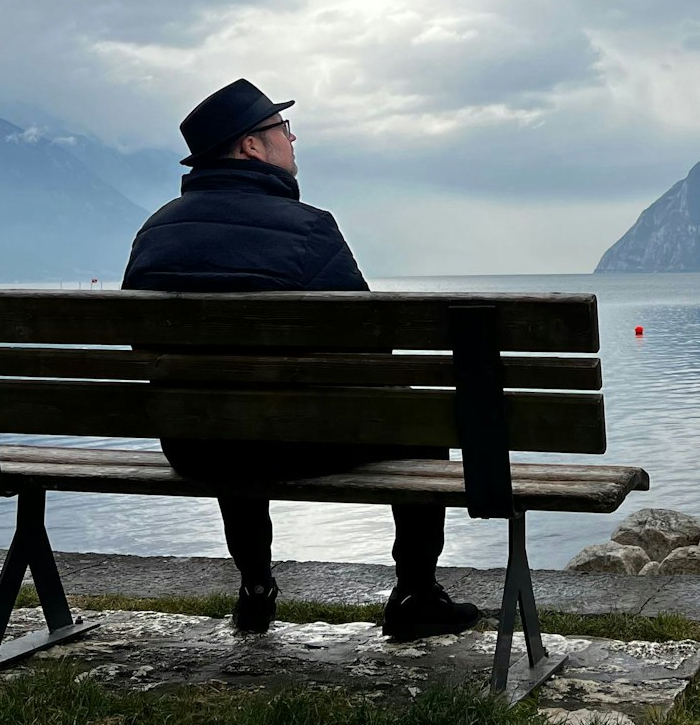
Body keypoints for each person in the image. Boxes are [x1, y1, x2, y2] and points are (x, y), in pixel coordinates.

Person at [122, 79, 482, 641]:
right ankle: (415, 594)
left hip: (193, 445)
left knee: (219, 410)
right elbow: (372, 354)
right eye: (281, 129)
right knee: (419, 420)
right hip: (298, 444)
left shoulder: (156, 231)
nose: (292, 140)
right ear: (251, 147)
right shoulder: (309, 230)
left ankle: (257, 587)